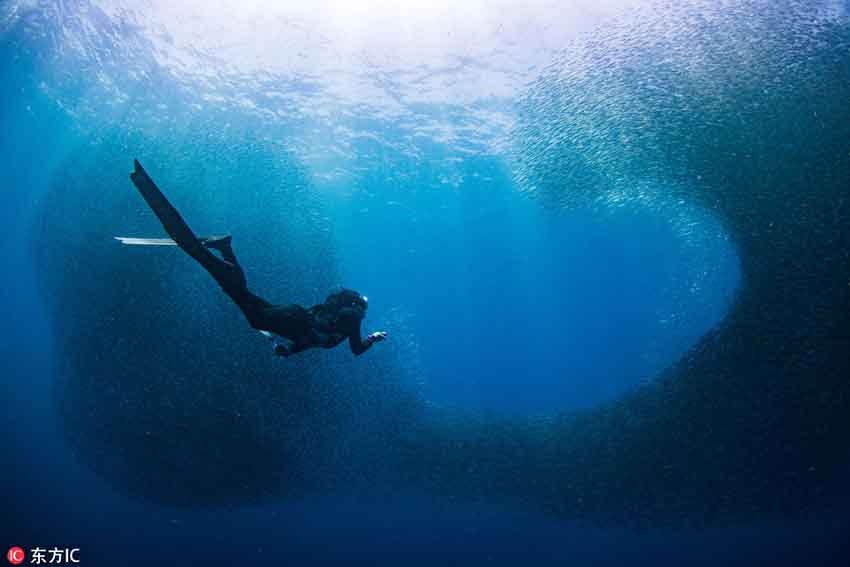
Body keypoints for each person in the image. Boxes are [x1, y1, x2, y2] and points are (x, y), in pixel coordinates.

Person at [128, 159, 387, 357]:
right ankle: (216, 248)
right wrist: (372, 338)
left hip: (295, 316)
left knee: (240, 294)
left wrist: (289, 350)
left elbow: (312, 339)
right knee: (242, 300)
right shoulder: (352, 319)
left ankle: (225, 249)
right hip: (294, 320)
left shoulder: (337, 320)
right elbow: (353, 349)